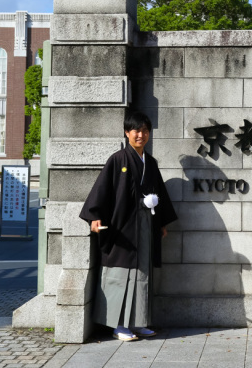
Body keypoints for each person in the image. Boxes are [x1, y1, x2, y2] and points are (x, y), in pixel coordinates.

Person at [80, 111, 178, 342]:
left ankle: (138, 321)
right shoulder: (118, 160)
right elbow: (102, 190)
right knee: (121, 274)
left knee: (142, 273)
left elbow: (159, 193)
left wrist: (161, 222)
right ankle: (118, 324)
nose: (140, 135)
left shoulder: (150, 163)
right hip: (121, 227)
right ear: (127, 132)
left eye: (145, 130)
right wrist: (94, 217)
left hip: (145, 225)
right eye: (136, 130)